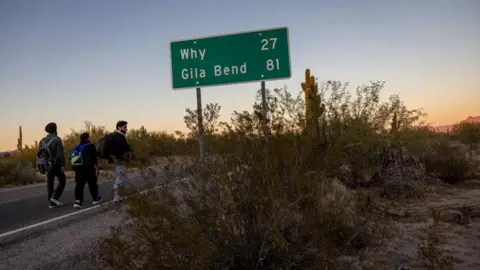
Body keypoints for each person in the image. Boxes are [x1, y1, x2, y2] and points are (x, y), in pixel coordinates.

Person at [38, 122, 66, 208]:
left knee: (50, 182)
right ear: (55, 129)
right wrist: (63, 165)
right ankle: (55, 196)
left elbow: (41, 153)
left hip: (46, 165)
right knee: (62, 179)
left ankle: (51, 202)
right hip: (55, 164)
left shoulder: (42, 141)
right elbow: (60, 154)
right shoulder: (57, 139)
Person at [72, 132, 102, 209]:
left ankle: (78, 201)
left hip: (79, 169)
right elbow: (94, 157)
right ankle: (95, 198)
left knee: (79, 185)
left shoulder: (77, 147)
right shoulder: (90, 146)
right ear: (87, 138)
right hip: (89, 168)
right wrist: (97, 167)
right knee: (92, 184)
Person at [108, 120, 131, 202]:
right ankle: (117, 197)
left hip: (116, 160)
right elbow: (126, 149)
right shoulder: (119, 137)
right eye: (125, 127)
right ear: (119, 127)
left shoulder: (113, 136)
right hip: (119, 160)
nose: (126, 129)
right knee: (119, 178)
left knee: (119, 177)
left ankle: (119, 196)